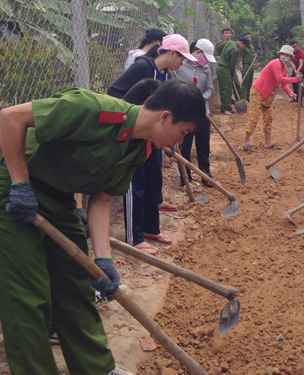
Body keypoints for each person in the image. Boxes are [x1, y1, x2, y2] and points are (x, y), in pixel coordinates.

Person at [0, 79, 206, 375]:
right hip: (12, 190)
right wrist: (20, 183)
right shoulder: (94, 110)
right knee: (28, 294)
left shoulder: (138, 150)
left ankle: (96, 369)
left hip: (59, 201)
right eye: (183, 132)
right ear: (164, 117)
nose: (179, 143)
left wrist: (104, 260)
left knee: (77, 288)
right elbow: (10, 117)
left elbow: (101, 201)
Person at [108, 34, 196, 254]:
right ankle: (133, 237)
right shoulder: (141, 67)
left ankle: (150, 228)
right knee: (134, 185)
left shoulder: (163, 74)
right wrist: (134, 120)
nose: (182, 63)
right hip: (134, 135)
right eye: (181, 58)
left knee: (153, 180)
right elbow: (114, 92)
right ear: (171, 53)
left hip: (152, 136)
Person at [243, 45, 301, 152]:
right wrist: (295, 79)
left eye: (289, 56)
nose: (286, 57)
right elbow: (280, 78)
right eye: (285, 55)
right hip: (258, 92)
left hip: (268, 96)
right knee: (254, 116)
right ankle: (246, 142)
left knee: (268, 118)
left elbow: (282, 83)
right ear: (281, 54)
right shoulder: (275, 63)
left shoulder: (284, 68)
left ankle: (268, 143)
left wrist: (290, 93)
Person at [176, 39, 215, 187]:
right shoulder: (180, 66)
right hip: (185, 113)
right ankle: (186, 179)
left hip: (203, 113)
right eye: (205, 56)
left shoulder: (206, 69)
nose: (206, 61)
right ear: (198, 52)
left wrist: (201, 98)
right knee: (185, 146)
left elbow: (210, 89)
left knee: (203, 145)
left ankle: (206, 176)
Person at [217, 37, 249, 115]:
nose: (243, 48)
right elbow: (232, 64)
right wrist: (232, 74)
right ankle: (224, 109)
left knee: (226, 88)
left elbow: (219, 46)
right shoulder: (235, 50)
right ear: (241, 43)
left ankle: (228, 107)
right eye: (244, 46)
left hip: (221, 67)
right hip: (225, 69)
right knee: (227, 89)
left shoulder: (230, 42)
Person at [239, 31, 256, 101]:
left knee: (250, 82)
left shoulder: (251, 47)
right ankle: (243, 98)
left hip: (251, 66)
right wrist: (241, 66)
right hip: (245, 65)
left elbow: (252, 55)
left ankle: (247, 97)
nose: (248, 38)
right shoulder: (243, 47)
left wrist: (256, 54)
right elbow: (240, 57)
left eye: (249, 37)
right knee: (245, 83)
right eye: (247, 37)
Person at [289, 40, 304, 104]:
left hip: (301, 70)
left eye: (295, 47)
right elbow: (288, 60)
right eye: (292, 47)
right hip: (295, 69)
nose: (294, 49)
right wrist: (292, 64)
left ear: (297, 46)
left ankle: (299, 102)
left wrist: (298, 71)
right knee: (293, 83)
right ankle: (295, 98)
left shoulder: (300, 52)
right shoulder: (290, 52)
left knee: (299, 85)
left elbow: (301, 64)